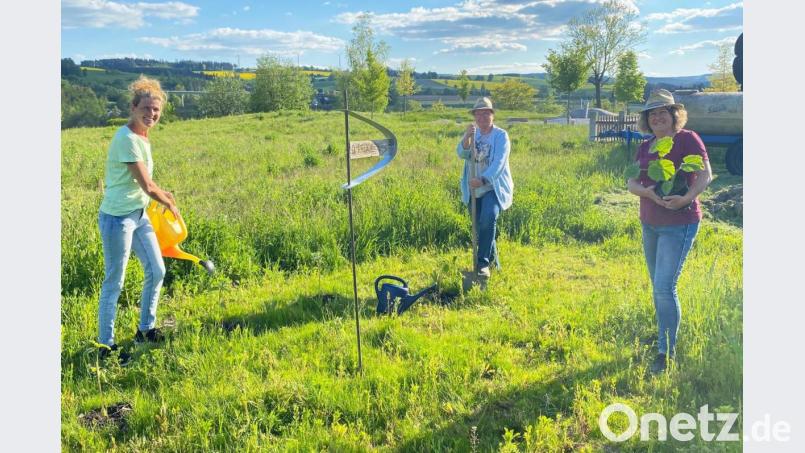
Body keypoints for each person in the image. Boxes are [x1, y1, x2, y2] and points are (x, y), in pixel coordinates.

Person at [626, 89, 713, 373]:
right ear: (646, 120)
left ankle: (666, 352)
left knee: (665, 287)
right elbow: (632, 183)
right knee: (658, 286)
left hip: (680, 222)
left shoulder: (687, 139)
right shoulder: (647, 145)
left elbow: (704, 174)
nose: (658, 117)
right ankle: (664, 335)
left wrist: (686, 198)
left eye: (663, 111)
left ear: (675, 115)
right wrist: (648, 194)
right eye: (652, 114)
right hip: (650, 222)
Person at [96, 76, 179, 360]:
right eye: (146, 108)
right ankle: (106, 346)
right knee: (114, 281)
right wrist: (167, 200)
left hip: (138, 214)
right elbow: (147, 185)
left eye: (156, 110)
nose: (151, 114)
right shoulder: (126, 138)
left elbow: (145, 184)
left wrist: (161, 192)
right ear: (133, 106)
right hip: (117, 219)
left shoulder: (143, 137)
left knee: (157, 270)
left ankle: (146, 329)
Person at [456, 97, 513, 279]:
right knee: (481, 226)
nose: (481, 117)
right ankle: (495, 263)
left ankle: (482, 264)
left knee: (489, 217)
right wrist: (466, 138)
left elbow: (499, 162)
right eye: (478, 114)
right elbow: (461, 153)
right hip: (474, 188)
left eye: (485, 113)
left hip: (493, 187)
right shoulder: (474, 134)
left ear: (492, 115)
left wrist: (483, 178)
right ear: (474, 116)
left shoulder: (501, 136)